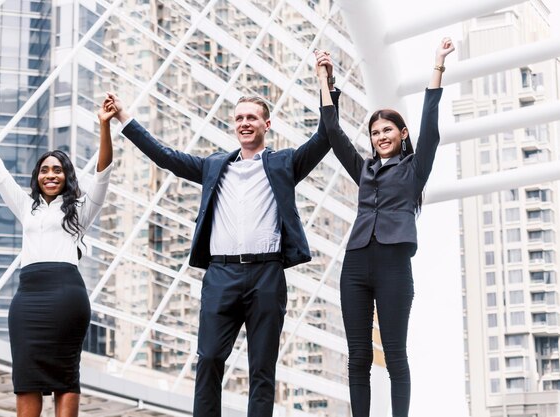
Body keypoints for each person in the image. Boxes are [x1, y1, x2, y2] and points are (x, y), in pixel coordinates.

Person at [105, 52, 338, 417]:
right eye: (240, 118)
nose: (245, 123)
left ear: (267, 124)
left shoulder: (283, 163)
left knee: (263, 368)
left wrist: (325, 83)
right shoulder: (215, 165)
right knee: (210, 357)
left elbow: (326, 137)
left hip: (266, 275)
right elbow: (165, 157)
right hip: (221, 275)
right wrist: (124, 116)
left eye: (252, 118)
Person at [317, 38, 455, 417]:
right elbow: (332, 132)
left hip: (394, 266)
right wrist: (325, 81)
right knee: (358, 356)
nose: (380, 136)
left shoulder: (414, 171)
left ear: (402, 134)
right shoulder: (363, 170)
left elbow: (431, 125)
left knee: (395, 355)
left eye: (387, 130)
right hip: (357, 264)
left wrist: (438, 65)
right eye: (375, 132)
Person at [0, 98, 116, 417]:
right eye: (44, 170)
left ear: (67, 176)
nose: (50, 175)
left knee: (65, 377)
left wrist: (104, 125)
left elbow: (102, 174)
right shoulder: (26, 207)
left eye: (57, 170)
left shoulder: (80, 211)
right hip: (27, 300)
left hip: (66, 297)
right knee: (26, 379)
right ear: (37, 176)